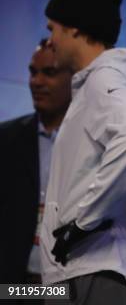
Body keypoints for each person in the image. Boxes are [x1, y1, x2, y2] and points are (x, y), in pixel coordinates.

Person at [39, 0, 126, 305]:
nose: (50, 40)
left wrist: (82, 222)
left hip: (96, 272)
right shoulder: (97, 83)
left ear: (74, 27)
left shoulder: (104, 79)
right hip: (78, 273)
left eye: (53, 29)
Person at [0, 39, 71, 285]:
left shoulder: (90, 143)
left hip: (63, 284)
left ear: (74, 78)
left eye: (49, 73)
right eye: (33, 72)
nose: (36, 82)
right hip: (11, 284)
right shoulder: (6, 138)